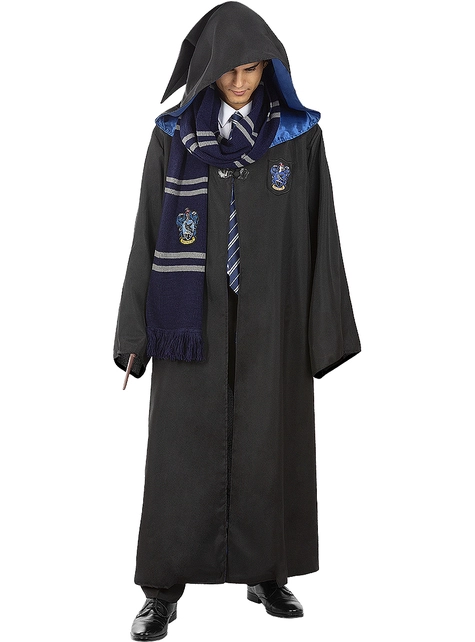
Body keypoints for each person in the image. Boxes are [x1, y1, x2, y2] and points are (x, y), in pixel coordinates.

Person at [113, 2, 361, 639]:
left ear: (269, 69)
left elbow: (321, 233)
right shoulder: (174, 137)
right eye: (229, 70)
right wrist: (135, 334)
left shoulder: (297, 138)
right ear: (207, 70)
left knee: (268, 445)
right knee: (179, 453)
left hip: (271, 321)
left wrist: (323, 330)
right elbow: (147, 232)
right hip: (187, 320)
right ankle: (162, 590)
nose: (242, 82)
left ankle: (267, 572)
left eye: (253, 69)